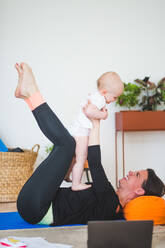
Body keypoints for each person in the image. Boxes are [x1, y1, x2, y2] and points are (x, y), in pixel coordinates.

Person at [15, 62, 165, 226]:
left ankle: (32, 93)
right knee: (68, 146)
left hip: (36, 207)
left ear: (139, 191)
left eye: (136, 175)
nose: (130, 172)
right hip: (37, 200)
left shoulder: (111, 204)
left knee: (67, 144)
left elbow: (94, 162)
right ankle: (28, 96)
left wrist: (96, 121)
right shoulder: (108, 196)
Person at [67, 72, 124, 190]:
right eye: (114, 97)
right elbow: (89, 112)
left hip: (76, 129)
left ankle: (67, 175)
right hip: (81, 131)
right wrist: (103, 115)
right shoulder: (100, 99)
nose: (114, 100)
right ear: (104, 92)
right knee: (81, 157)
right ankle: (76, 184)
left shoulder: (95, 95)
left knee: (74, 156)